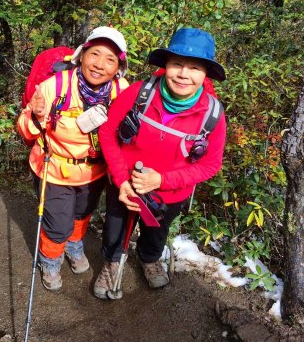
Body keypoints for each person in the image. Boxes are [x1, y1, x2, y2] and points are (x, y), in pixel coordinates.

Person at [94, 27, 227, 299]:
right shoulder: (139, 93)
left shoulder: (213, 114)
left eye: (194, 68)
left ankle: (149, 259)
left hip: (170, 194)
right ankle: (110, 263)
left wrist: (162, 181)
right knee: (114, 229)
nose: (183, 74)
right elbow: (107, 132)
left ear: (205, 74)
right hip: (125, 184)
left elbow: (210, 165)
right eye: (177, 63)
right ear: (166, 64)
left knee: (156, 232)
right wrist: (121, 181)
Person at [17, 26, 129, 291]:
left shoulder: (121, 91)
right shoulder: (55, 85)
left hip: (94, 172)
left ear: (118, 68)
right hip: (55, 169)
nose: (100, 65)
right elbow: (25, 129)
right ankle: (50, 260)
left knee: (82, 213)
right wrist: (35, 115)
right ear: (82, 54)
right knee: (57, 223)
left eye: (110, 59)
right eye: (95, 54)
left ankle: (74, 245)